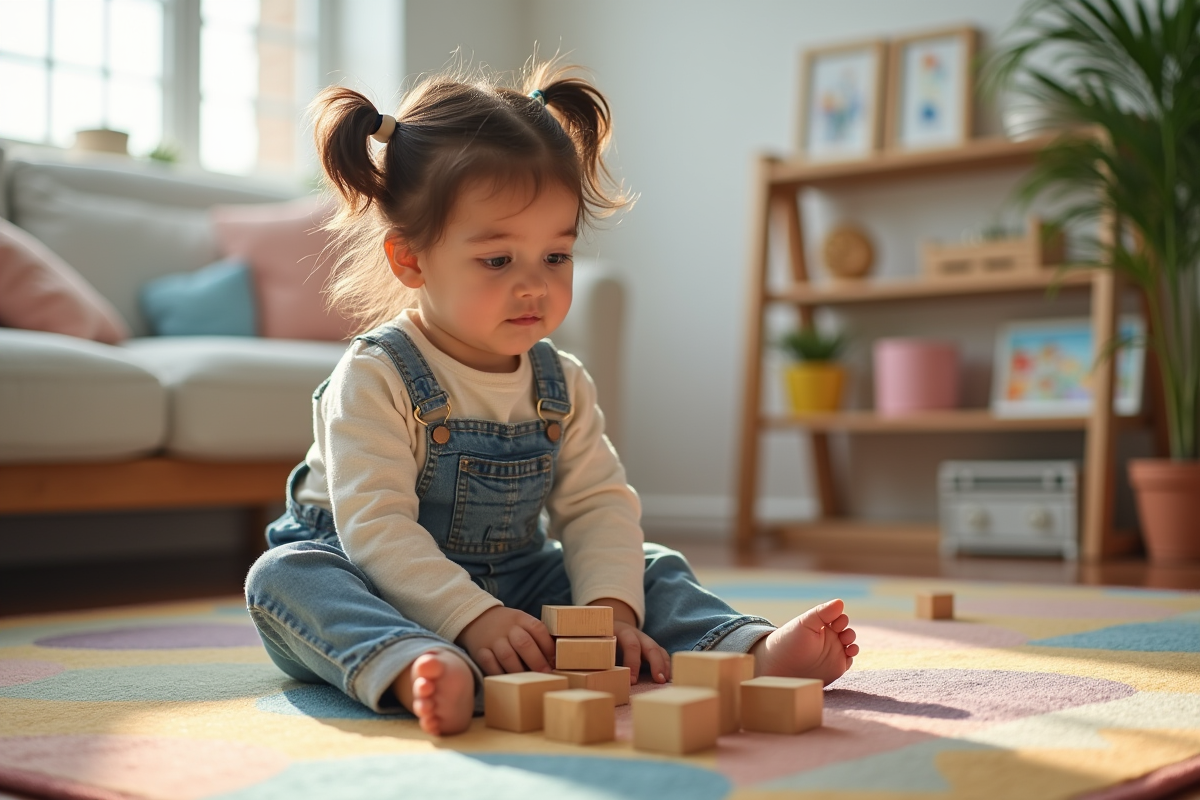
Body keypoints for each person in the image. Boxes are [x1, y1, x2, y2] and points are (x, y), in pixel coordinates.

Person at [244, 58, 858, 737]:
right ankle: (413, 662)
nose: (534, 286)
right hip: (376, 578)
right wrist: (469, 618)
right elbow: (377, 530)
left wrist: (610, 616)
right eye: (499, 260)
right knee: (284, 577)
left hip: (516, 578)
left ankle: (748, 648)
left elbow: (596, 506)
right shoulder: (376, 375)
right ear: (411, 259)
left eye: (556, 257)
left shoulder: (560, 382)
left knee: (646, 566)